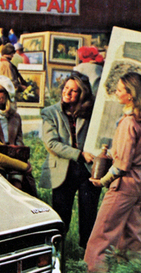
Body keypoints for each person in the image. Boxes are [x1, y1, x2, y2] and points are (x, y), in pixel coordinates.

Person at [84, 71, 141, 273]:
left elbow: (122, 164)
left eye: (119, 90)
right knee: (133, 239)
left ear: (130, 95)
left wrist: (103, 181)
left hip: (123, 184)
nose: (116, 93)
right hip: (138, 183)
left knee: (100, 238)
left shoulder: (128, 122)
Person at [40, 73, 100, 247]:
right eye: (66, 88)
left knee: (88, 215)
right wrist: (79, 154)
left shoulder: (91, 112)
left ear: (82, 94)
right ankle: (58, 252)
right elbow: (51, 144)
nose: (67, 93)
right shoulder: (50, 112)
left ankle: (86, 254)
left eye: (74, 91)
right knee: (61, 216)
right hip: (62, 169)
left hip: (88, 169)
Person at [0, 76, 37, 196]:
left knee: (21, 186)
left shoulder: (15, 117)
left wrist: (23, 161)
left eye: (0, 91)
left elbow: (19, 142)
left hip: (13, 159)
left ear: (8, 94)